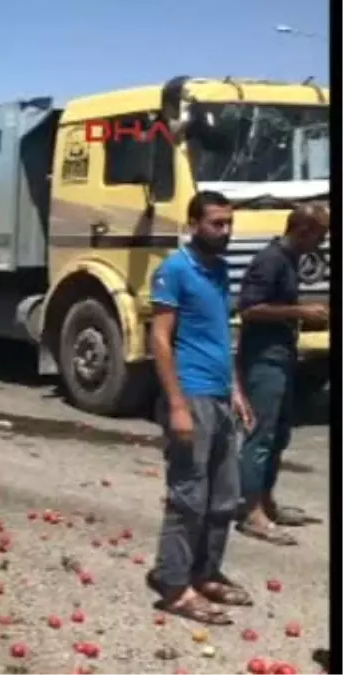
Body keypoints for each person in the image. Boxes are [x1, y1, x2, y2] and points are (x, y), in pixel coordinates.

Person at [146, 190, 255, 626]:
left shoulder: (220, 270)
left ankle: (205, 572)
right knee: (188, 497)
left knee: (225, 496)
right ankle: (174, 586)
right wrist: (177, 405)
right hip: (190, 394)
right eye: (216, 224)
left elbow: (219, 335)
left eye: (229, 223)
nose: (225, 231)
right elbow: (159, 339)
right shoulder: (175, 270)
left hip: (219, 395)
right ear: (193, 224)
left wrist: (237, 389)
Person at [234, 204, 329, 546]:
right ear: (303, 230)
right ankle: (251, 512)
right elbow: (249, 308)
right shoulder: (270, 260)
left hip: (282, 356)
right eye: (321, 234)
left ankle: (266, 500)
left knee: (279, 434)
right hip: (263, 360)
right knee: (260, 436)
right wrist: (299, 310)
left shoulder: (289, 259)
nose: (323, 242)